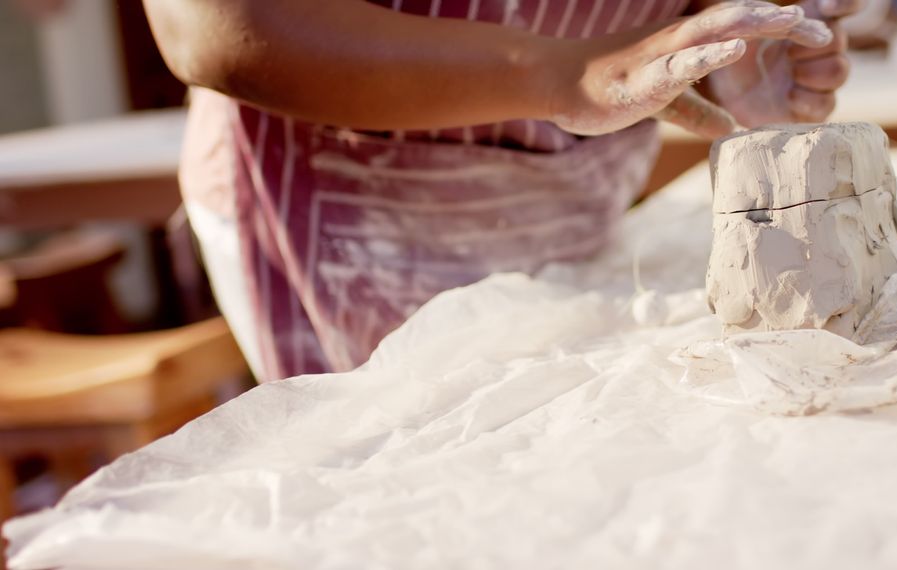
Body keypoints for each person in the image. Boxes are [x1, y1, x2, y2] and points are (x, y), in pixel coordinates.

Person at [142, 0, 858, 382]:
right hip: (345, 208)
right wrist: (562, 76)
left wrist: (729, 29)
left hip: (576, 187)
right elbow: (221, 23)